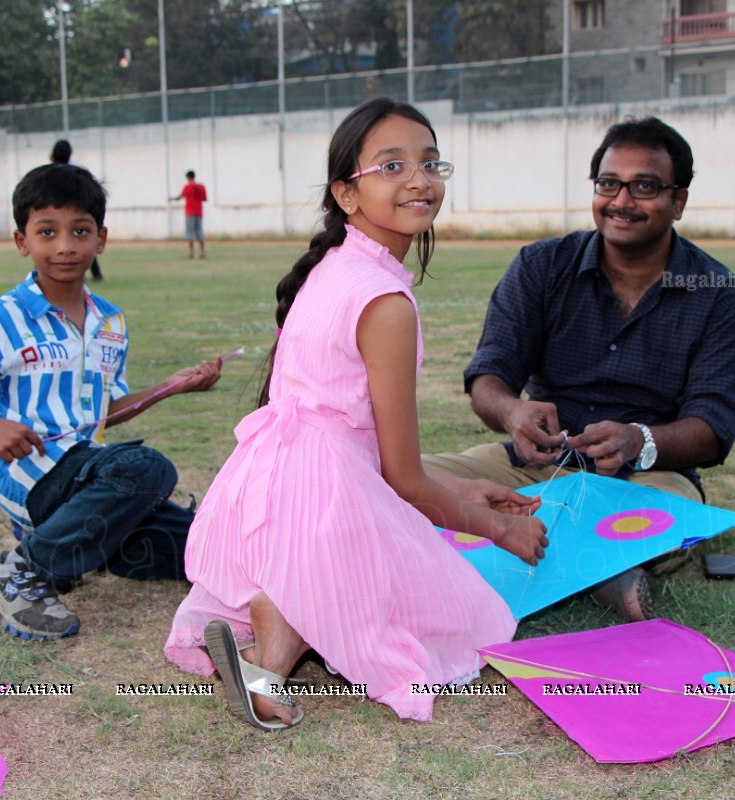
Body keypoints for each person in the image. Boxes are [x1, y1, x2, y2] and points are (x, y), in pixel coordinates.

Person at [164, 98, 548, 731]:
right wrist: (497, 529)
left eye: (430, 163)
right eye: (391, 166)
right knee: (474, 622)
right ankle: (280, 623)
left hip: (265, 493)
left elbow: (357, 446)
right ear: (347, 193)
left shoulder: (331, 268)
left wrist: (465, 486)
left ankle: (270, 643)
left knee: (339, 575)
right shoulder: (387, 303)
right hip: (319, 502)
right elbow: (398, 479)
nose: (419, 180)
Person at [423, 116, 735, 623]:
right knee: (396, 478)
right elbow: (489, 376)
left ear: (678, 201)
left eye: (645, 186)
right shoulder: (541, 267)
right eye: (608, 183)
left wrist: (638, 440)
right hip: (531, 463)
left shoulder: (720, 296)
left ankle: (537, 546)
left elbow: (713, 428)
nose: (622, 201)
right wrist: (514, 413)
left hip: (648, 477)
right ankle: (601, 571)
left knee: (654, 517)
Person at [0, 163, 222, 641]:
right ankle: (20, 570)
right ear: (22, 241)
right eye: (47, 232)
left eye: (80, 231)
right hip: (32, 474)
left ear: (101, 239)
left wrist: (170, 386)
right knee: (147, 468)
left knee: (205, 544)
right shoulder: (0, 319)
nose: (65, 245)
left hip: (87, 477)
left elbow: (106, 412)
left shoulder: (110, 321)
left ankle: (76, 550)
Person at [50, 139, 103, 281]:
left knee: (52, 246)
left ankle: (45, 274)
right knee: (83, 242)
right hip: (76, 214)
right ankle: (96, 275)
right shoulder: (77, 172)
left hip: (56, 217)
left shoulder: (48, 175)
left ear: (52, 155)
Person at [170, 170, 207, 259]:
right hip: (199, 212)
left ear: (188, 177)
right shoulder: (202, 187)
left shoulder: (187, 187)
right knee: (199, 232)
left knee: (190, 232)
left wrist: (171, 199)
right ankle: (202, 253)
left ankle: (191, 253)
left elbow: (179, 197)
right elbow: (205, 199)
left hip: (190, 212)